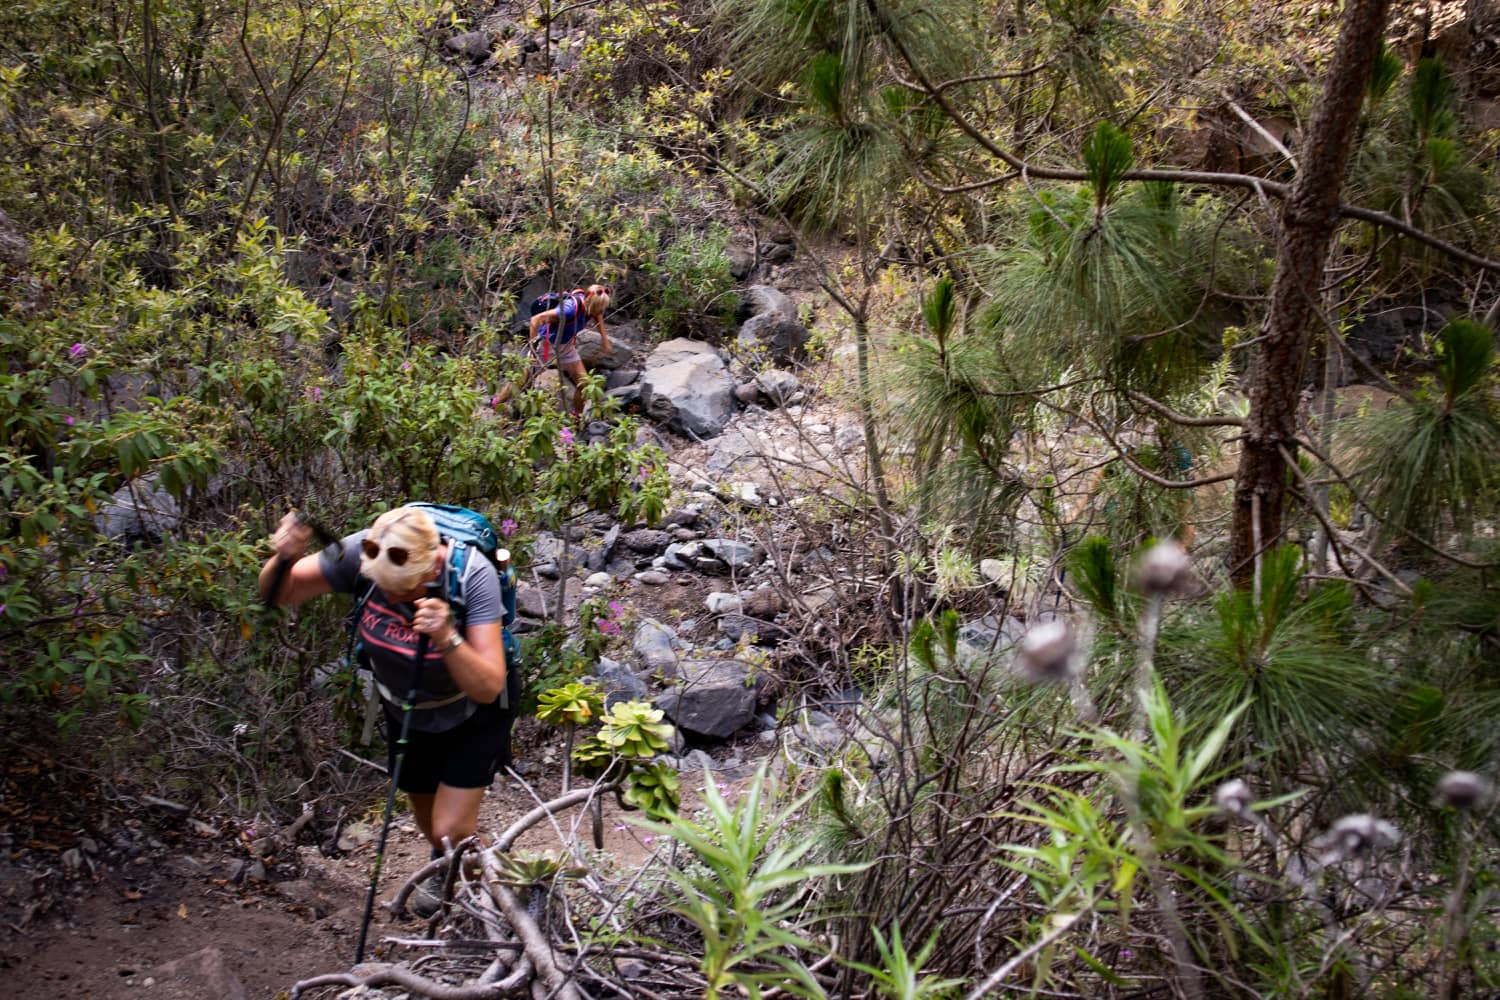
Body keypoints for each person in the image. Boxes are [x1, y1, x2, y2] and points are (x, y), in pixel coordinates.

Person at [258, 506, 518, 892]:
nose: (393, 596)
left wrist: (447, 637)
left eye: (404, 589)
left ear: (432, 568)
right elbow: (282, 592)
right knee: (432, 827)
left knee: (452, 831)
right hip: (406, 706)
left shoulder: (472, 575)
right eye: (384, 588)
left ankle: (508, 894)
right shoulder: (363, 553)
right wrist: (284, 555)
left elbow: (488, 684)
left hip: (474, 709)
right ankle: (451, 868)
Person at [528, 283, 612, 416]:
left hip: (566, 347)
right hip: (546, 344)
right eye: (600, 309)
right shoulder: (569, 309)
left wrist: (604, 339)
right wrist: (532, 349)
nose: (601, 312)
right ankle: (497, 403)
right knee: (523, 381)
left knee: (585, 385)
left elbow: (598, 316)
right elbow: (535, 320)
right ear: (590, 303)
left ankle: (576, 418)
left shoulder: (592, 308)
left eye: (603, 309)